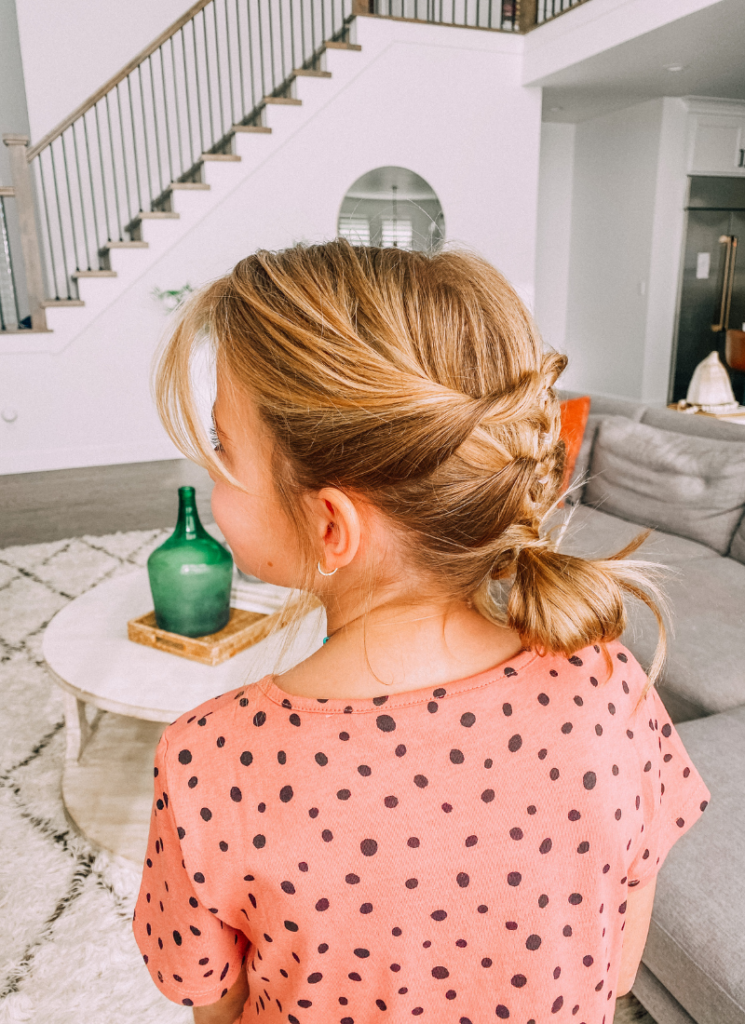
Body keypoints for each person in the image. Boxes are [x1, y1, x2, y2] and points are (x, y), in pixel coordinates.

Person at [132, 241, 710, 1024]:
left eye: (224, 451)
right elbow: (611, 970)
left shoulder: (211, 759)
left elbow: (211, 1003)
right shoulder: (606, 685)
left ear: (330, 525)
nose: (210, 480)